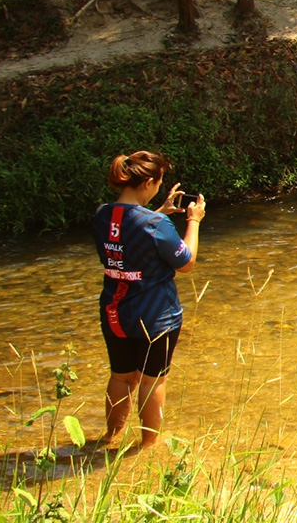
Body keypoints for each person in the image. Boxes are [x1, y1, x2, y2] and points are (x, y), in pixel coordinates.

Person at [90, 151, 205, 450]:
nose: (158, 188)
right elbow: (186, 262)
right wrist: (193, 221)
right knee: (152, 380)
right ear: (148, 182)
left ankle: (111, 437)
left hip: (114, 312)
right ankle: (148, 446)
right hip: (155, 316)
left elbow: (126, 235)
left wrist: (159, 212)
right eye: (158, 183)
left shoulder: (102, 215)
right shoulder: (155, 224)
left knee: (121, 376)